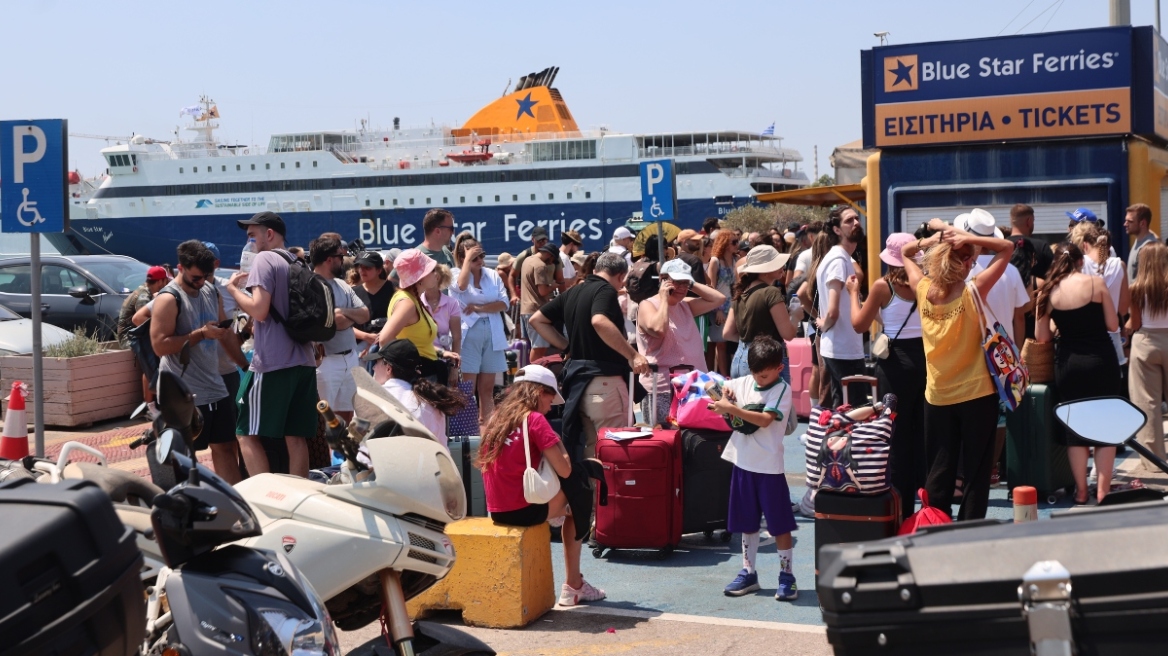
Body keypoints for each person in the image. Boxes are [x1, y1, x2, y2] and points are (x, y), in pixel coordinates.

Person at [900, 217, 1013, 520]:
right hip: (977, 393)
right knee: (977, 471)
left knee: (940, 468)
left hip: (937, 395)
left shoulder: (923, 289)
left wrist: (934, 240)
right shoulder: (971, 293)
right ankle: (969, 528)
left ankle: (936, 522)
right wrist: (962, 236)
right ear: (964, 264)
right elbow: (1007, 248)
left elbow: (905, 253)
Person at [478, 365, 606, 607]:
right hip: (523, 510)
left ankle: (573, 578)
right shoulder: (535, 420)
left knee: (573, 491)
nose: (552, 404)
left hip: (497, 509)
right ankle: (573, 586)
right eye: (550, 396)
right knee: (580, 486)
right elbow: (564, 468)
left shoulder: (496, 419)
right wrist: (558, 444)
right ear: (537, 392)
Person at [225, 212, 318, 479]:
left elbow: (260, 310)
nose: (250, 243)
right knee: (295, 436)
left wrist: (233, 290)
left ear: (269, 235)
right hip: (304, 361)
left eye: (252, 236)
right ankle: (300, 492)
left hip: (272, 364)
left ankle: (263, 496)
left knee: (244, 432)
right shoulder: (296, 261)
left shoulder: (265, 259)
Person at [530, 252, 650, 459]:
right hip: (605, 383)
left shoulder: (574, 291)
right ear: (621, 276)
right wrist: (633, 355)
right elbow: (599, 321)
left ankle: (595, 492)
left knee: (593, 449)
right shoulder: (605, 291)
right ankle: (608, 492)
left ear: (595, 269)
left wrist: (567, 347)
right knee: (615, 450)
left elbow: (537, 319)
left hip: (578, 385)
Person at [708, 337, 798, 601]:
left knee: (780, 525)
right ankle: (748, 572)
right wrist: (721, 396)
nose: (759, 379)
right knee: (748, 525)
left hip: (769, 467)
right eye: (755, 373)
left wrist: (732, 408)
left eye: (765, 374)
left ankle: (787, 576)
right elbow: (710, 386)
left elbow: (764, 419)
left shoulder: (781, 389)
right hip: (742, 462)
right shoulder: (745, 381)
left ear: (779, 368)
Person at [151, 241, 247, 484]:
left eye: (206, 276)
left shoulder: (211, 291)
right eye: (195, 276)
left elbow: (225, 334)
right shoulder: (169, 299)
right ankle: (184, 508)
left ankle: (237, 505)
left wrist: (246, 367)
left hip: (215, 386)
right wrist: (200, 334)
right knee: (182, 457)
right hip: (183, 393)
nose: (201, 281)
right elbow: (160, 345)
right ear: (180, 268)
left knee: (226, 448)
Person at [845, 233, 926, 519]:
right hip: (926, 362)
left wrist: (854, 293)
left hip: (894, 367)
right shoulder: (924, 283)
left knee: (895, 437)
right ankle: (925, 504)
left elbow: (858, 324)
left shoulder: (883, 286)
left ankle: (900, 508)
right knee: (922, 434)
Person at [1035, 243, 1121, 505]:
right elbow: (1113, 324)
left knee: (1076, 430)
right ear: (1080, 262)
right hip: (1101, 361)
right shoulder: (1096, 284)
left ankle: (1082, 491)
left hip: (1069, 365)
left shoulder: (1046, 292)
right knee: (1106, 427)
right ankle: (1104, 491)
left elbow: (1041, 338)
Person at [636, 259, 725, 427]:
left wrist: (691, 284)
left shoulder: (685, 305)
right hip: (662, 387)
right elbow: (659, 329)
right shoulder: (647, 305)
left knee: (696, 439)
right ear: (663, 279)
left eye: (685, 283)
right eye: (677, 282)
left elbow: (719, 299)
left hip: (695, 385)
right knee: (666, 441)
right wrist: (663, 299)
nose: (682, 288)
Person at [451, 234, 510, 426]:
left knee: (487, 388)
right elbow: (460, 286)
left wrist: (478, 307)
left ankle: (489, 429)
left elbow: (503, 303)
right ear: (462, 258)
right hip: (468, 333)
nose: (480, 261)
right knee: (467, 388)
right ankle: (468, 430)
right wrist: (467, 261)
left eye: (481, 256)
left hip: (492, 331)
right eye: (475, 257)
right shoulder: (454, 274)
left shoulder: (492, 275)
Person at [309, 236, 370, 423]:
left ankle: (341, 453)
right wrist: (348, 317)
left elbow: (365, 314)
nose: (343, 261)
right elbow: (330, 322)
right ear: (329, 259)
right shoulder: (311, 286)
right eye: (340, 257)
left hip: (350, 358)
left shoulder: (343, 285)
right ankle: (326, 454)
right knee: (323, 418)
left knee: (347, 415)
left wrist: (342, 312)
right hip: (326, 362)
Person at [365, 339, 466, 449]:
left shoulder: (369, 398)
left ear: (388, 368)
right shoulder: (432, 401)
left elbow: (361, 451)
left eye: (377, 363)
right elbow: (442, 450)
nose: (374, 367)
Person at [376, 248, 458, 382]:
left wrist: (442, 353)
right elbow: (384, 340)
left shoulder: (409, 298)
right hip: (420, 377)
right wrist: (408, 369)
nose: (436, 274)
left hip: (425, 373)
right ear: (420, 277)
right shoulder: (407, 303)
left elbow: (416, 341)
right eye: (431, 270)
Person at [814, 207, 868, 408]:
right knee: (857, 408)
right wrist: (823, 324)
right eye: (849, 220)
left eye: (857, 218)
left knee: (842, 407)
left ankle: (834, 439)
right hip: (843, 349)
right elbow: (833, 310)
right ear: (837, 230)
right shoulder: (838, 260)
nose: (856, 223)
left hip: (841, 347)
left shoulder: (841, 258)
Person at [723, 245, 800, 381]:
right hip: (766, 362)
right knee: (775, 402)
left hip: (740, 360)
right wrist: (796, 316)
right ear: (765, 270)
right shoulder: (770, 292)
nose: (783, 266)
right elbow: (788, 334)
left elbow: (728, 333)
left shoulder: (741, 293)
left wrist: (750, 340)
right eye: (777, 264)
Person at [1127, 242, 1168, 473]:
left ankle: (1154, 462)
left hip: (1146, 343)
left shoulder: (1136, 287)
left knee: (1147, 403)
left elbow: (1135, 323)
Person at [1070, 221, 1130, 366]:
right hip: (1112, 341)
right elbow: (1122, 308)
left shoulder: (1078, 264)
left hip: (1083, 338)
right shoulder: (1120, 265)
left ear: (1084, 245)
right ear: (1109, 246)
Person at [422, 264, 462, 385]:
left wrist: (454, 370)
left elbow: (457, 337)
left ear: (437, 277)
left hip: (442, 363)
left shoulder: (452, 303)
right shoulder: (415, 301)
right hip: (421, 360)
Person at [705, 230, 738, 376]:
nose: (737, 245)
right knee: (719, 343)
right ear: (724, 244)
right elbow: (711, 286)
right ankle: (722, 376)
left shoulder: (736, 260)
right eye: (734, 242)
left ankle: (724, 374)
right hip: (718, 306)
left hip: (732, 306)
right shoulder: (715, 261)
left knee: (726, 343)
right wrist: (717, 308)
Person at [351, 250, 395, 354]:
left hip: (389, 344)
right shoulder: (353, 293)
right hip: (360, 350)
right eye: (360, 267)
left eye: (368, 267)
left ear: (379, 270)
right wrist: (366, 337)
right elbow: (345, 326)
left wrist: (379, 339)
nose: (362, 270)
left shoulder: (393, 289)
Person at [521, 243, 559, 361]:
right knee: (539, 347)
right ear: (548, 254)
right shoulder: (540, 266)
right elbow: (543, 291)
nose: (551, 262)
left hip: (526, 309)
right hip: (535, 309)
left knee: (536, 346)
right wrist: (553, 286)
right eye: (552, 259)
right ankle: (533, 376)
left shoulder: (527, 260)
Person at [1009, 203, 1052, 281]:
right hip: (1036, 291)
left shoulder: (999, 247)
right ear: (1029, 221)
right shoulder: (1042, 246)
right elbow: (1053, 275)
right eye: (1033, 221)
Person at [1125, 203, 1160, 282]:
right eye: (1125, 221)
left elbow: (1150, 283)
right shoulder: (1139, 240)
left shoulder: (1149, 247)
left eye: (1129, 221)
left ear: (1143, 223)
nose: (1125, 224)